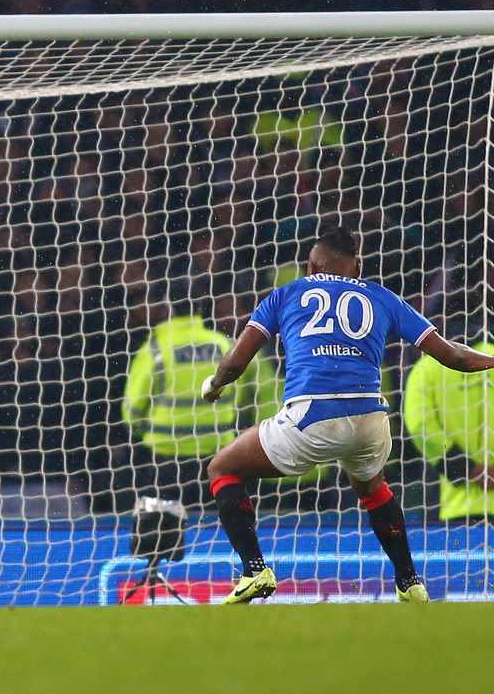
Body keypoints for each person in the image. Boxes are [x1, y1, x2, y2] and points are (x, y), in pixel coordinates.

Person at [201, 227, 494, 604]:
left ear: (310, 265)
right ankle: (410, 582)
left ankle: (254, 570)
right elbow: (452, 355)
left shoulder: (286, 294)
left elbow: (237, 362)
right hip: (371, 419)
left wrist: (214, 384)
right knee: (371, 487)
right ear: (357, 270)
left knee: (221, 469)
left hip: (312, 417)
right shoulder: (383, 297)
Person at [122, 281, 280, 509]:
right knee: (216, 523)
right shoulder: (222, 343)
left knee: (165, 522)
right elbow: (244, 392)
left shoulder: (155, 347)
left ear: (167, 310)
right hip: (217, 453)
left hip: (167, 455)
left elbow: (132, 408)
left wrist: (140, 429)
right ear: (198, 309)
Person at [402, 332, 494, 522]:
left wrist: (465, 469)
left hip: (453, 503)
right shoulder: (491, 357)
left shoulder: (427, 368)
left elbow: (419, 424)